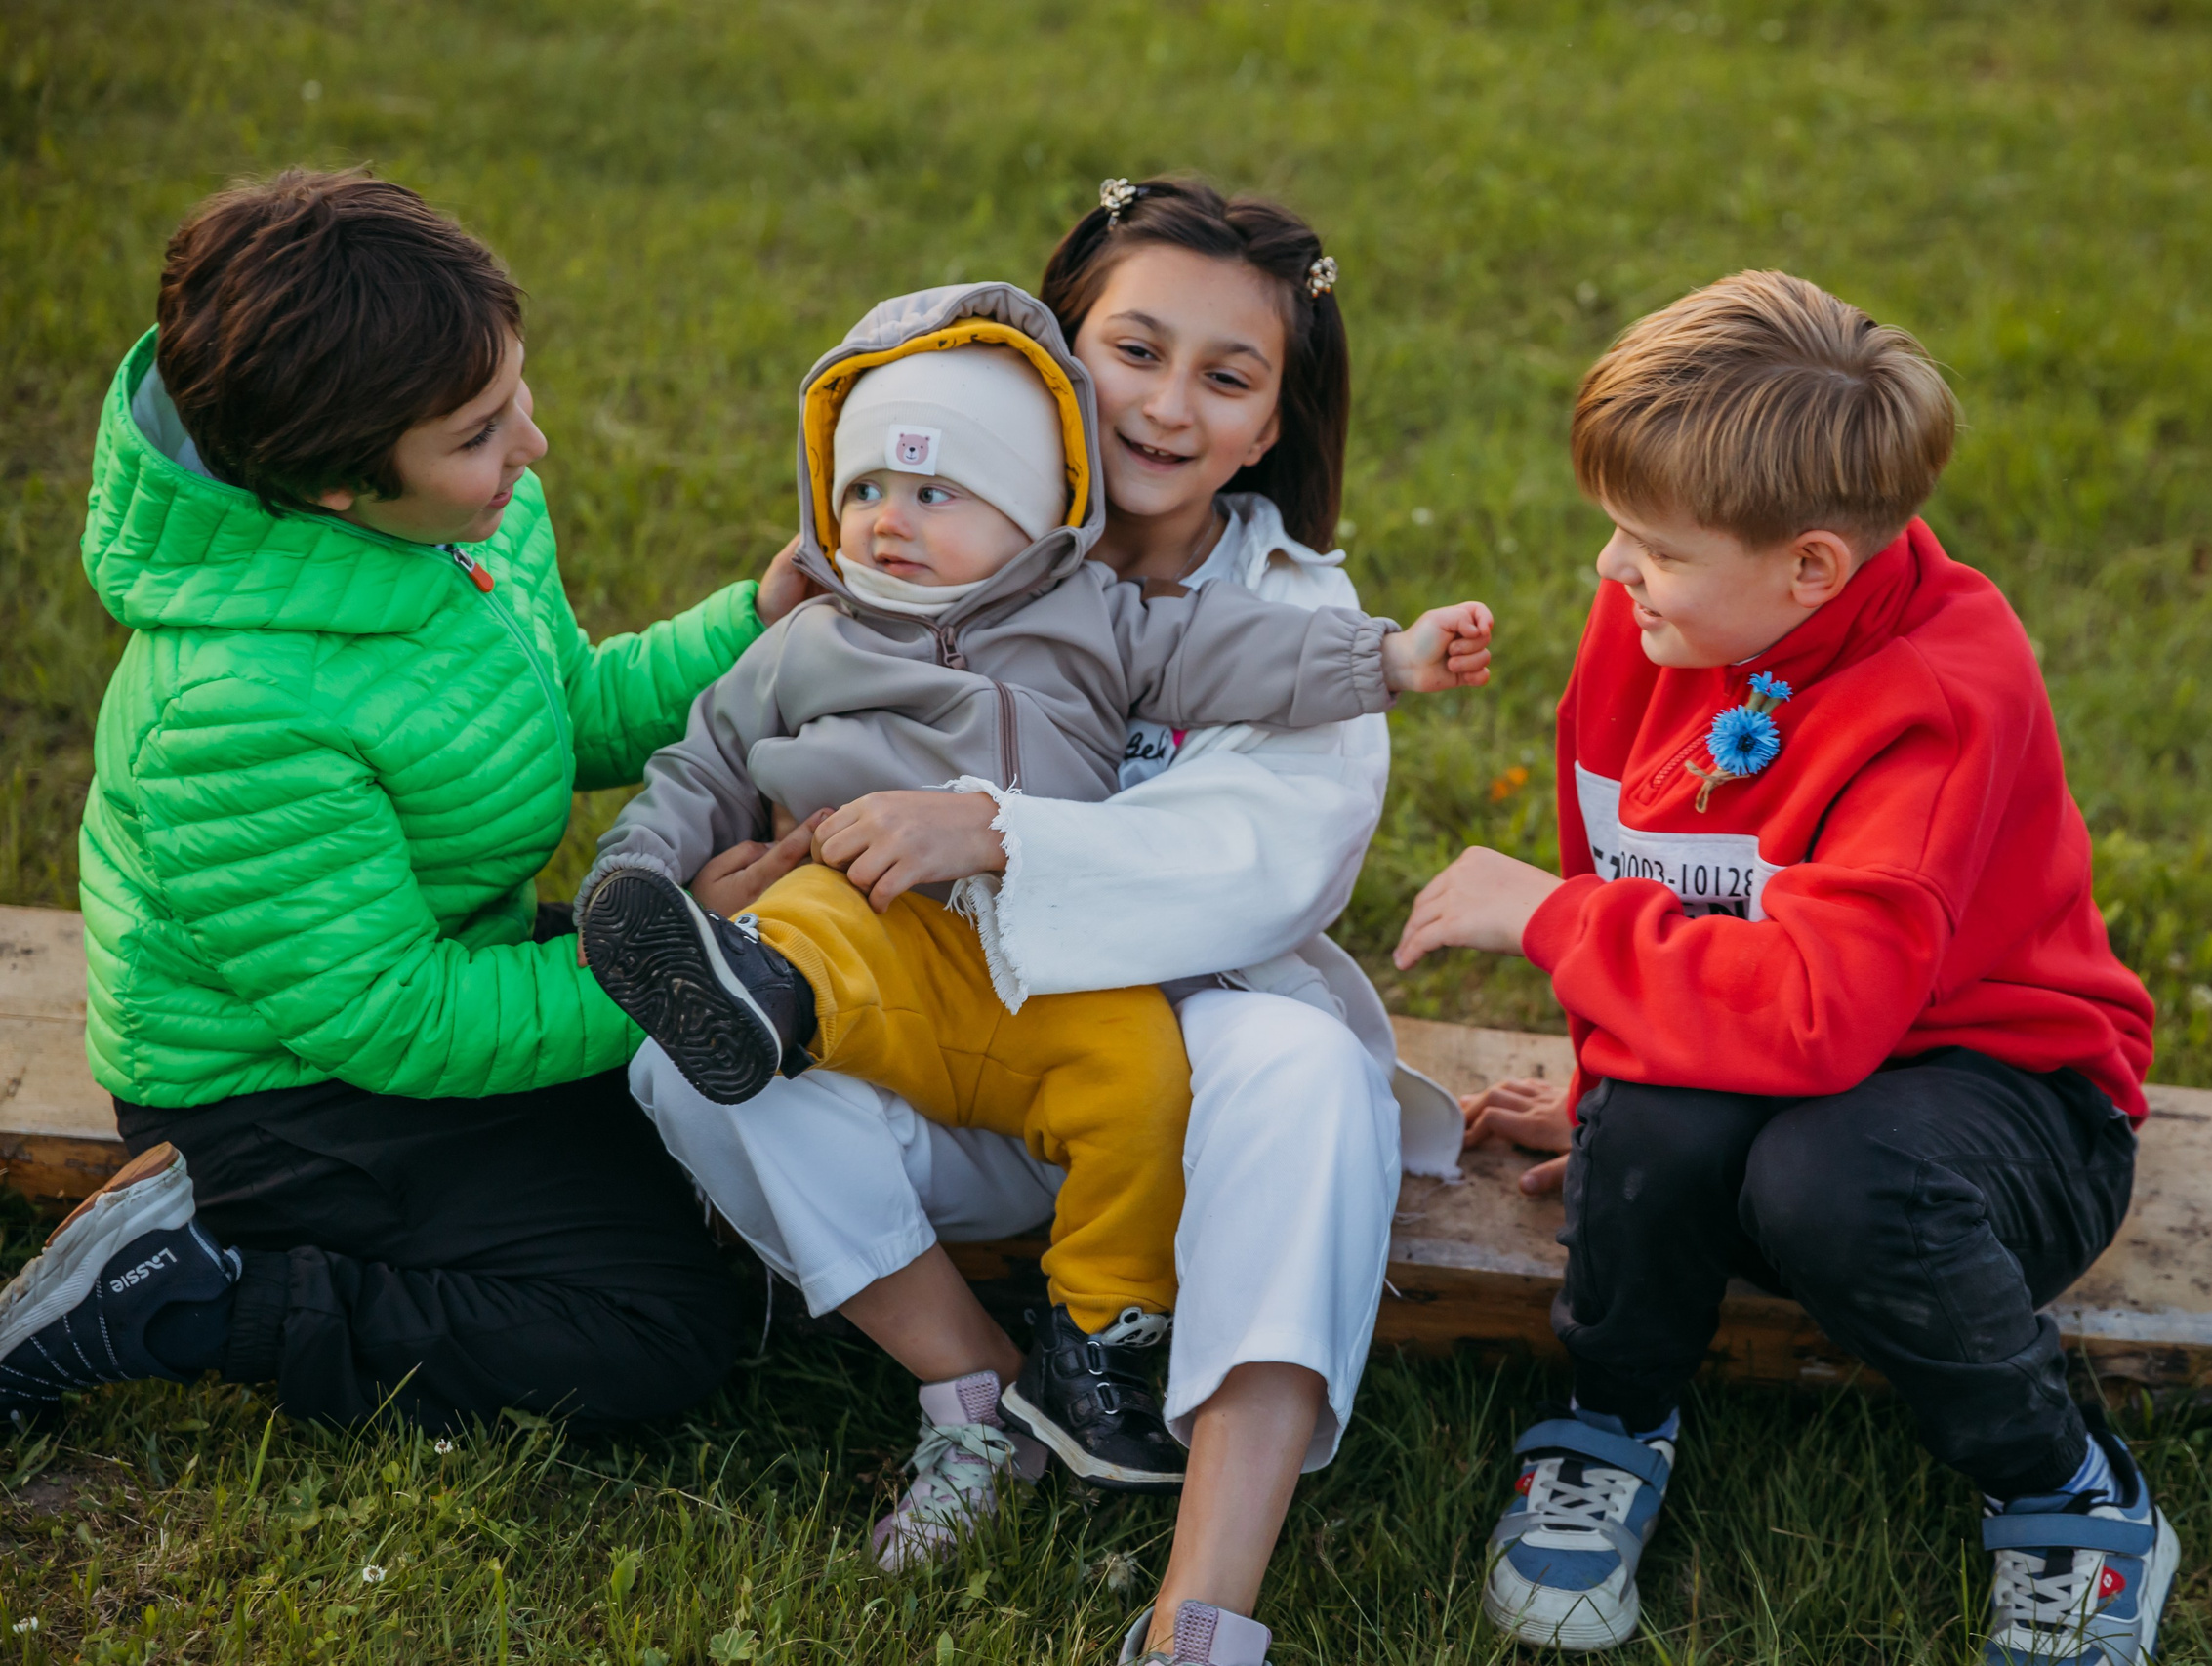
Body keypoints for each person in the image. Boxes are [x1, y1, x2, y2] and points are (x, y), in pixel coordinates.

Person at [632, 177, 1453, 1663]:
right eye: (1133, 351)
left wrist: (996, 831)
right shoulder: (890, 559)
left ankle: (1201, 1609)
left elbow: (1268, 860)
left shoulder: (1295, 616)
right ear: (1050, 355)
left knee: (1310, 1072)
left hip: (1177, 1097)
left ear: (1271, 424)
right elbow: (744, 755)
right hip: (932, 1050)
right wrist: (728, 877)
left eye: (1228, 378)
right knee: (695, 1049)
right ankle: (973, 1392)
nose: (1167, 405)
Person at [1393, 270, 2174, 1661]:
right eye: (1615, 530)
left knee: (1834, 1180)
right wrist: (1601, 1100)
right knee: (1656, 1107)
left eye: (1652, 545)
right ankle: (1613, 1420)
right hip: (1791, 1056)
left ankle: (2066, 1489)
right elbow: (1634, 869)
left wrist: (1558, 923)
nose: (1609, 570)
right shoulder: (1672, 619)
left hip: (2003, 1110)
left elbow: (1815, 1015)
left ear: (1811, 567)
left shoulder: (1937, 701)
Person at [0, 168, 815, 1434]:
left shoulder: (450, 528)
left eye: (515, 392)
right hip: (286, 1093)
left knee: (769, 1067)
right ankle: (187, 1292)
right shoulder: (232, 715)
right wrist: (668, 967)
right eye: (479, 432)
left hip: (442, 970)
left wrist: (758, 625)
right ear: (338, 485)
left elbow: (558, 710)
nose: (531, 445)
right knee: (658, 1328)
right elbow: (390, 1017)